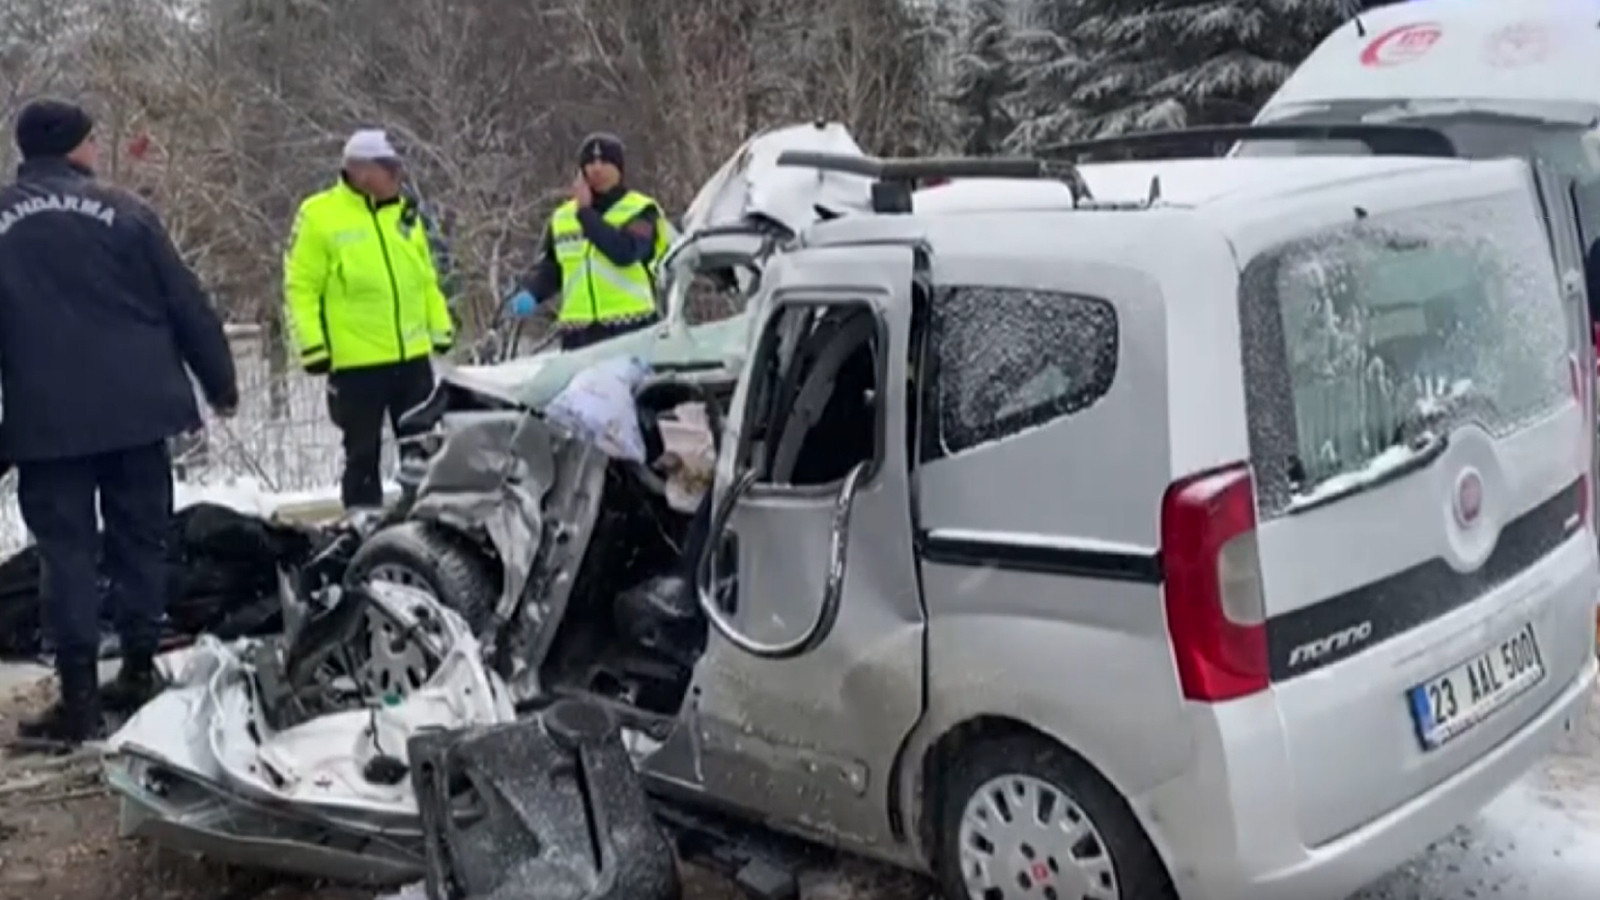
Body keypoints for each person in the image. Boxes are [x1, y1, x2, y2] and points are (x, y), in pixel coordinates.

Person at [0, 99, 238, 745]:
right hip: (138, 414)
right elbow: (186, 302)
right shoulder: (128, 213)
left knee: (66, 556)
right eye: (92, 139)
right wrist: (221, 383)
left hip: (48, 425)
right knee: (141, 542)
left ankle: (78, 703)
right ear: (75, 146)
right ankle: (137, 672)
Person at [284, 129, 454, 514]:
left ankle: (425, 523)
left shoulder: (404, 214)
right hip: (357, 363)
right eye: (389, 168)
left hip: (411, 359)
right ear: (361, 171)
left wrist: (440, 326)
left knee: (425, 449)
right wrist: (312, 346)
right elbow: (301, 286)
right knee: (362, 455)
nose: (398, 176)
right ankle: (361, 529)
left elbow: (424, 276)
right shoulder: (320, 215)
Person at [505, 133, 675, 350]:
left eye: (605, 162)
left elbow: (624, 252)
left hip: (631, 328)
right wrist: (532, 292)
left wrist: (585, 213)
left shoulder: (641, 210)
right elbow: (553, 267)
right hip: (578, 333)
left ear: (619, 168)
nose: (597, 169)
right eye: (590, 162)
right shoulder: (563, 217)